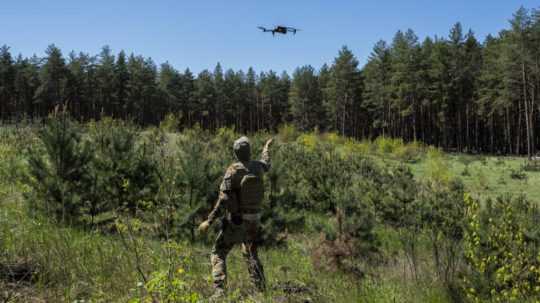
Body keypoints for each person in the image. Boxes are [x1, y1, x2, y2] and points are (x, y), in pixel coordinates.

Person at [199, 136, 273, 299]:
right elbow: (266, 162)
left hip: (237, 223)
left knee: (218, 252)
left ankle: (220, 292)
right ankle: (260, 291)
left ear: (235, 153)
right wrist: (266, 147)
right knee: (251, 254)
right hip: (254, 221)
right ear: (249, 151)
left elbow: (224, 199)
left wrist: (209, 221)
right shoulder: (258, 167)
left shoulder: (233, 171)